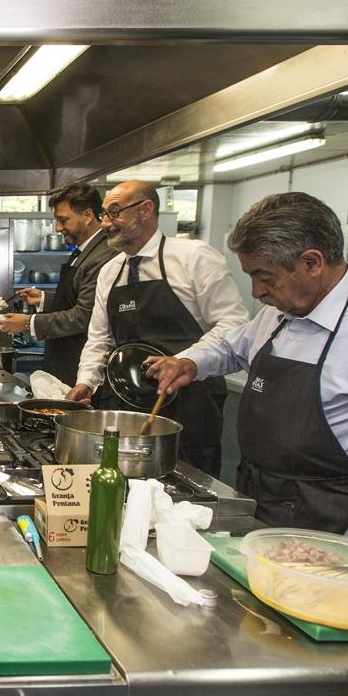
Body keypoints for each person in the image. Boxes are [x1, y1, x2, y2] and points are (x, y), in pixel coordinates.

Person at [146, 192, 348, 546]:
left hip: (330, 521)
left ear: (312, 262)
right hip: (260, 500)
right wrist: (190, 362)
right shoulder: (281, 312)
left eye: (265, 277)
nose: (256, 291)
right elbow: (232, 345)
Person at [67, 180, 249, 477]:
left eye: (114, 213)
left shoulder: (194, 257)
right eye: (104, 214)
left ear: (146, 210)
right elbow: (100, 338)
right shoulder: (111, 272)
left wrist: (185, 361)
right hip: (129, 404)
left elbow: (234, 323)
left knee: (187, 486)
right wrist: (86, 381)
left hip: (191, 404)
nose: (105, 224)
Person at [0, 182, 119, 384]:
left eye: (63, 220)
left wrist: (28, 323)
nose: (58, 227)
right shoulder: (84, 251)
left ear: (88, 215)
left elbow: (84, 316)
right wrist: (45, 300)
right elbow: (77, 299)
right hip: (67, 357)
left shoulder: (103, 256)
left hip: (82, 365)